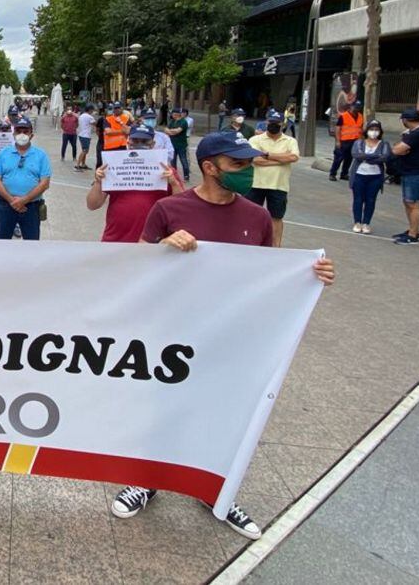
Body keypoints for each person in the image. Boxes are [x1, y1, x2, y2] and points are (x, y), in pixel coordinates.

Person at [113, 130, 335, 539]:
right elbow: (136, 264)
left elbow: (264, 275)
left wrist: (310, 276)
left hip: (230, 337)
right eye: (238, 164)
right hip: (172, 333)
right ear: (210, 167)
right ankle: (145, 480)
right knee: (159, 408)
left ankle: (216, 488)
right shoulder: (168, 207)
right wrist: (163, 245)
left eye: (249, 164)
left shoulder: (257, 217)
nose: (247, 171)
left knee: (222, 413)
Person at [87, 125, 183, 242]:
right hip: (115, 240)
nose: (139, 144)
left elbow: (181, 208)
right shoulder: (113, 165)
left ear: (153, 144)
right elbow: (92, 205)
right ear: (128, 141)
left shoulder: (167, 170)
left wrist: (174, 183)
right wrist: (98, 182)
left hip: (151, 242)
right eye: (135, 140)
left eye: (144, 141)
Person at [0, 117, 51, 241]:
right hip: (6, 205)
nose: (22, 134)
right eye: (18, 131)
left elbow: (45, 183)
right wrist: (12, 201)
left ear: (31, 135)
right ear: (13, 134)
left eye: (25, 131)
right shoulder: (3, 153)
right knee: (2, 243)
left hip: (31, 207)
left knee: (31, 243)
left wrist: (24, 200)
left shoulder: (41, 155)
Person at [247, 111, 300, 247]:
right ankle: (250, 242)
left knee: (276, 218)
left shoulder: (290, 141)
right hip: (256, 184)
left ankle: (276, 247)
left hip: (279, 185)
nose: (273, 125)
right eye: (271, 122)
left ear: (282, 124)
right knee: (251, 216)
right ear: (266, 122)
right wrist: (282, 160)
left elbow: (293, 157)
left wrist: (267, 154)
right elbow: (255, 159)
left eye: (276, 123)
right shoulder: (255, 140)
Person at [390, 107, 419, 244]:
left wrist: (399, 148)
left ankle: (413, 234)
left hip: (417, 173)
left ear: (405, 120)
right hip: (410, 170)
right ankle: (412, 229)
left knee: (413, 203)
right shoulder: (415, 132)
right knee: (408, 201)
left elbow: (397, 149)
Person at [349, 119, 389, 234]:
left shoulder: (384, 144)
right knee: (358, 199)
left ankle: (366, 223)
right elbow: (356, 155)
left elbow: (385, 157)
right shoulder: (359, 143)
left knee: (371, 200)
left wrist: (367, 157)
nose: (374, 132)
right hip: (359, 175)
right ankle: (357, 222)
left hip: (375, 177)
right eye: (372, 129)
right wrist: (375, 157)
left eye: (377, 130)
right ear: (366, 131)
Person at [329, 100, 364, 181]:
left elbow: (360, 128)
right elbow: (338, 129)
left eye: (358, 107)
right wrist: (338, 141)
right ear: (351, 107)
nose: (357, 109)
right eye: (355, 107)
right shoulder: (343, 116)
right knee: (339, 158)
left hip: (355, 141)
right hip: (344, 141)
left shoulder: (360, 116)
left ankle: (344, 174)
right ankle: (332, 174)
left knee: (349, 158)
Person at [163, 108, 191, 182]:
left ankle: (186, 176)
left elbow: (177, 131)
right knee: (173, 161)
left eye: (173, 114)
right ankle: (175, 175)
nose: (172, 115)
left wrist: (170, 131)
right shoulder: (172, 121)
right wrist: (171, 131)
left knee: (183, 160)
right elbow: (165, 129)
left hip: (181, 145)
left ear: (177, 114)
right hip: (172, 144)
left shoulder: (183, 122)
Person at [75, 104, 97, 171]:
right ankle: (77, 165)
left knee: (85, 150)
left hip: (81, 134)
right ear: (90, 110)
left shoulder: (81, 116)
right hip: (86, 135)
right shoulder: (89, 117)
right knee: (85, 150)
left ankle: (83, 164)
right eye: (92, 110)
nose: (93, 111)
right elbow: (95, 123)